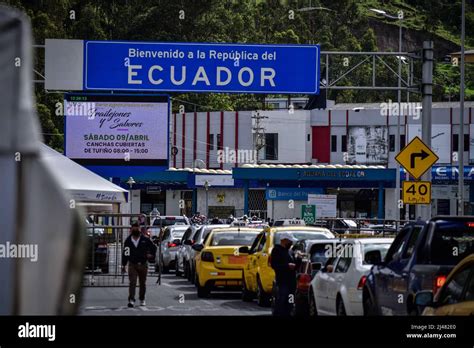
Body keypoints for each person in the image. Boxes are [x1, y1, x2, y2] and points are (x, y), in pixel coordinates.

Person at [122, 221, 157, 307]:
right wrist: (124, 264)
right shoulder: (128, 241)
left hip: (143, 264)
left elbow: (154, 247)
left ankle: (142, 298)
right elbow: (125, 253)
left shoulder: (145, 239)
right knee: (132, 282)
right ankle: (131, 299)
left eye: (137, 227)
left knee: (142, 283)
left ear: (140, 229)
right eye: (134, 227)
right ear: (131, 229)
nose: (136, 229)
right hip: (132, 264)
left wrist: (151, 255)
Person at [270, 232, 297, 316]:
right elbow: (274, 265)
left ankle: (289, 312)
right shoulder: (277, 250)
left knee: (290, 300)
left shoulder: (289, 251)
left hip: (291, 281)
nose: (291, 243)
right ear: (284, 240)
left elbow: (295, 265)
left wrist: (299, 259)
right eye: (290, 241)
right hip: (283, 281)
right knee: (282, 299)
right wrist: (287, 266)